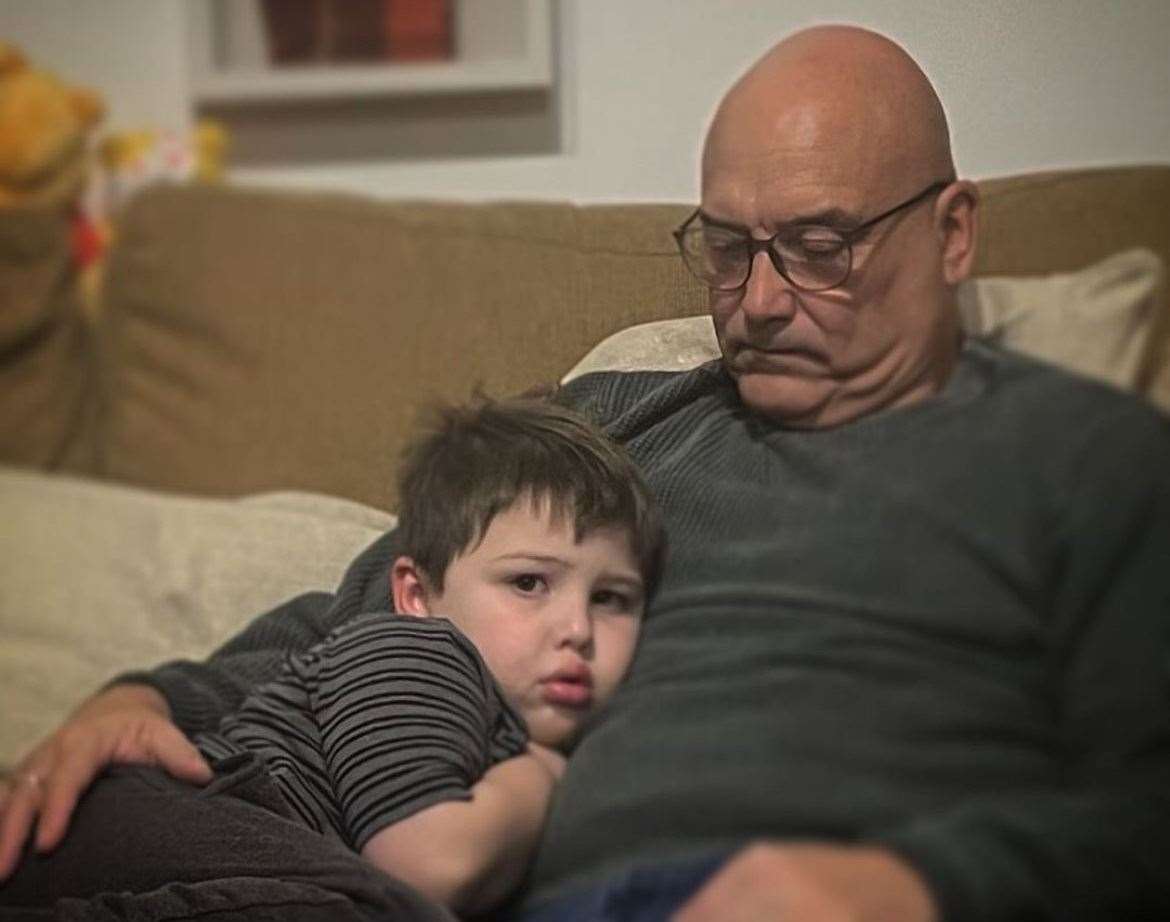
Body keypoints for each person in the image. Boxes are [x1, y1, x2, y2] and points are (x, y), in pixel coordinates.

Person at [3, 23, 1170, 922]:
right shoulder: (626, 420)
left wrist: (923, 883)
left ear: (953, 232)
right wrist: (148, 699)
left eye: (820, 248)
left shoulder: (1084, 459)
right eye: (727, 250)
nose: (760, 303)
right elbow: (376, 607)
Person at [0, 397, 664, 919]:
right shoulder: (420, 653)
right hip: (176, 820)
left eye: (611, 598)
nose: (577, 628)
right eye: (528, 583)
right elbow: (433, 864)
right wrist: (542, 775)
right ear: (414, 594)